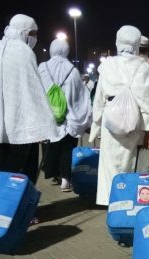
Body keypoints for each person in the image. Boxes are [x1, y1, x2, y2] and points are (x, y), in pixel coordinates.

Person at [0, 14, 58, 185]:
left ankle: (7, 207)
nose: (35, 38)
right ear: (25, 32)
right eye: (34, 33)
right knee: (25, 170)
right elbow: (33, 91)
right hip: (22, 127)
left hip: (1, 127)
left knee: (5, 168)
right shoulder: (23, 53)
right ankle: (23, 208)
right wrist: (46, 122)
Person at [89, 25, 149, 206]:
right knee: (131, 162)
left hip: (110, 119)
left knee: (109, 163)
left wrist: (95, 126)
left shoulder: (107, 66)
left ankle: (109, 200)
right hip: (134, 120)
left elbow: (99, 99)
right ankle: (128, 201)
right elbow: (147, 101)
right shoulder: (142, 67)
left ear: (118, 42)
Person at [38, 38, 92, 192]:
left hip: (49, 117)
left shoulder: (42, 67)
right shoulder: (73, 70)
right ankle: (65, 180)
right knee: (67, 149)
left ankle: (53, 174)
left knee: (51, 147)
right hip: (69, 118)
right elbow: (80, 97)